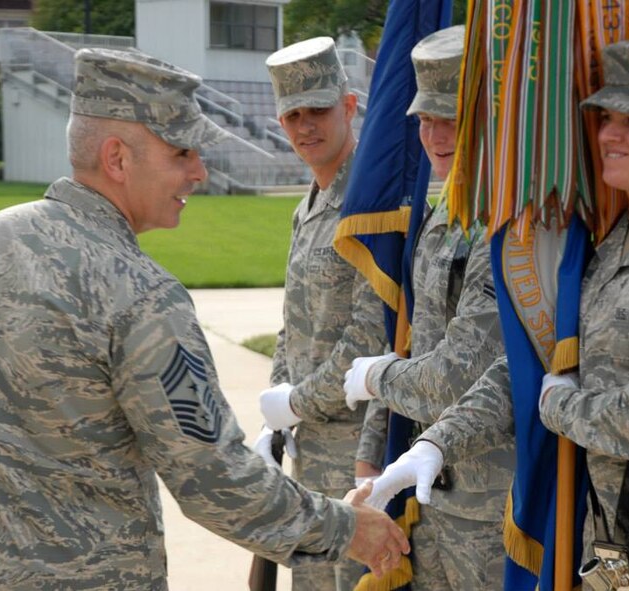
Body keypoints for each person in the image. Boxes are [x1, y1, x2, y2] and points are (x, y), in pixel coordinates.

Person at [0, 48, 410, 591]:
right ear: (117, 158)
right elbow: (211, 477)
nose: (199, 172)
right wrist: (346, 529)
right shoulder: (140, 295)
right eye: (182, 152)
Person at [366, 31, 629, 589]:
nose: (609, 136)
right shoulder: (601, 239)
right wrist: (436, 441)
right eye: (604, 118)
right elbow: (531, 361)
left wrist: (561, 406)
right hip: (605, 555)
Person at [342, 25, 513, 590]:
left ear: (488, 118)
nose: (434, 136)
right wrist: (374, 449)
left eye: (450, 118)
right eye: (423, 120)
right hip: (432, 495)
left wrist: (374, 376)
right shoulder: (444, 216)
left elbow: (453, 379)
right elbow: (416, 339)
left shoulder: (507, 225)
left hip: (494, 507)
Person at [252, 37, 389, 591]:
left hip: (358, 455)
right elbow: (294, 321)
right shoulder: (305, 208)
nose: (305, 126)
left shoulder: (372, 205)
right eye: (292, 115)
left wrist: (295, 402)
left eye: (318, 111)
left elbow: (371, 331)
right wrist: (274, 411)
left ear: (350, 106)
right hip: (308, 450)